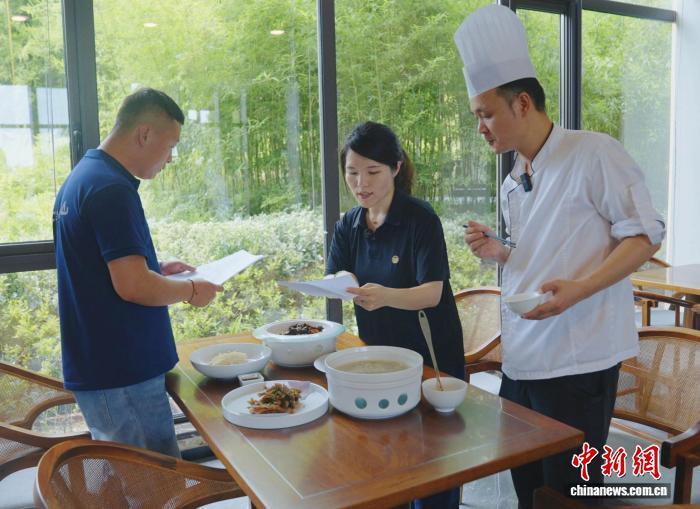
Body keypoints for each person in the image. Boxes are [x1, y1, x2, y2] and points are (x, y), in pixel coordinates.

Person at [454, 5, 665, 508]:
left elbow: (645, 235)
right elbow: (547, 251)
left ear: (523, 103)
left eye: (486, 114)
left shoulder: (593, 154)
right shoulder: (515, 178)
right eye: (477, 116)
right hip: (522, 363)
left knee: (570, 496)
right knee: (528, 488)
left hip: (577, 363)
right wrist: (502, 252)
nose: (480, 127)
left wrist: (580, 290)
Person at [53, 88, 223, 457]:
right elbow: (132, 285)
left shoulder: (85, 177)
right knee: (152, 480)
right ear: (144, 134)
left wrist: (157, 269)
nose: (171, 157)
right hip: (121, 371)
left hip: (107, 367)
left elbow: (101, 270)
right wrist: (192, 290)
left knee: (128, 477)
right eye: (171, 145)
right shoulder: (111, 189)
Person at [326, 121, 465, 509]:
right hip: (380, 357)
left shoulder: (420, 218)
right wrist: (343, 283)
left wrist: (384, 296)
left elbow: (432, 293)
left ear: (396, 167)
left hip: (430, 358)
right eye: (352, 172)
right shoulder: (350, 223)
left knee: (433, 465)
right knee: (388, 462)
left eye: (372, 172)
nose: (361, 183)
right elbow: (336, 274)